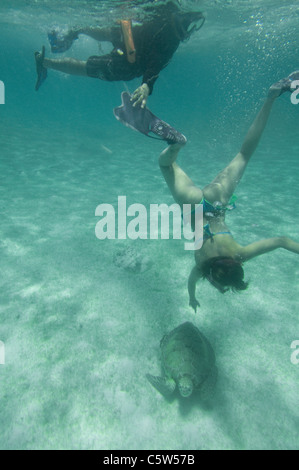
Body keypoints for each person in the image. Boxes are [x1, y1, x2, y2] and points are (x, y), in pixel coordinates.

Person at [156, 71, 299, 311]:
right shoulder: (202, 266)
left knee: (244, 154)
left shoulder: (240, 254)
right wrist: (191, 298)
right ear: (214, 275)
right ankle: (175, 145)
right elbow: (191, 281)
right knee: (166, 165)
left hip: (218, 200)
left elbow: (282, 241)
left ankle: (272, 97)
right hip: (193, 207)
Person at [34, 1, 205, 108]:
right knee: (87, 65)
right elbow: (157, 63)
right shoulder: (170, 28)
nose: (186, 31)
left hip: (130, 47)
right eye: (188, 25)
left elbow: (156, 64)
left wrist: (147, 85)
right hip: (129, 62)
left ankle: (67, 40)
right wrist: (147, 85)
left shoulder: (169, 16)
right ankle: (47, 61)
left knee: (108, 37)